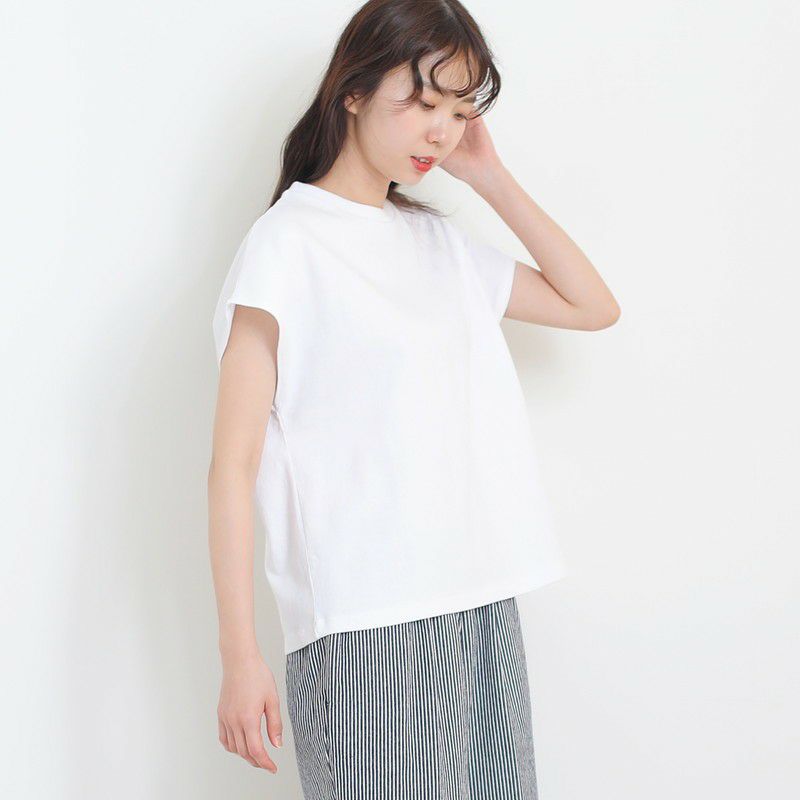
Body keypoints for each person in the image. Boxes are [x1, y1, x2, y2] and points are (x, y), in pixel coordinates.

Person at [208, 1, 620, 796]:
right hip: (367, 621)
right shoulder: (287, 246)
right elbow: (232, 466)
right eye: (425, 101)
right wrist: (240, 655)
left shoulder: (437, 244)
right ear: (353, 90)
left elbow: (591, 306)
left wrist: (490, 177)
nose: (441, 131)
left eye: (460, 112)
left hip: (481, 599)